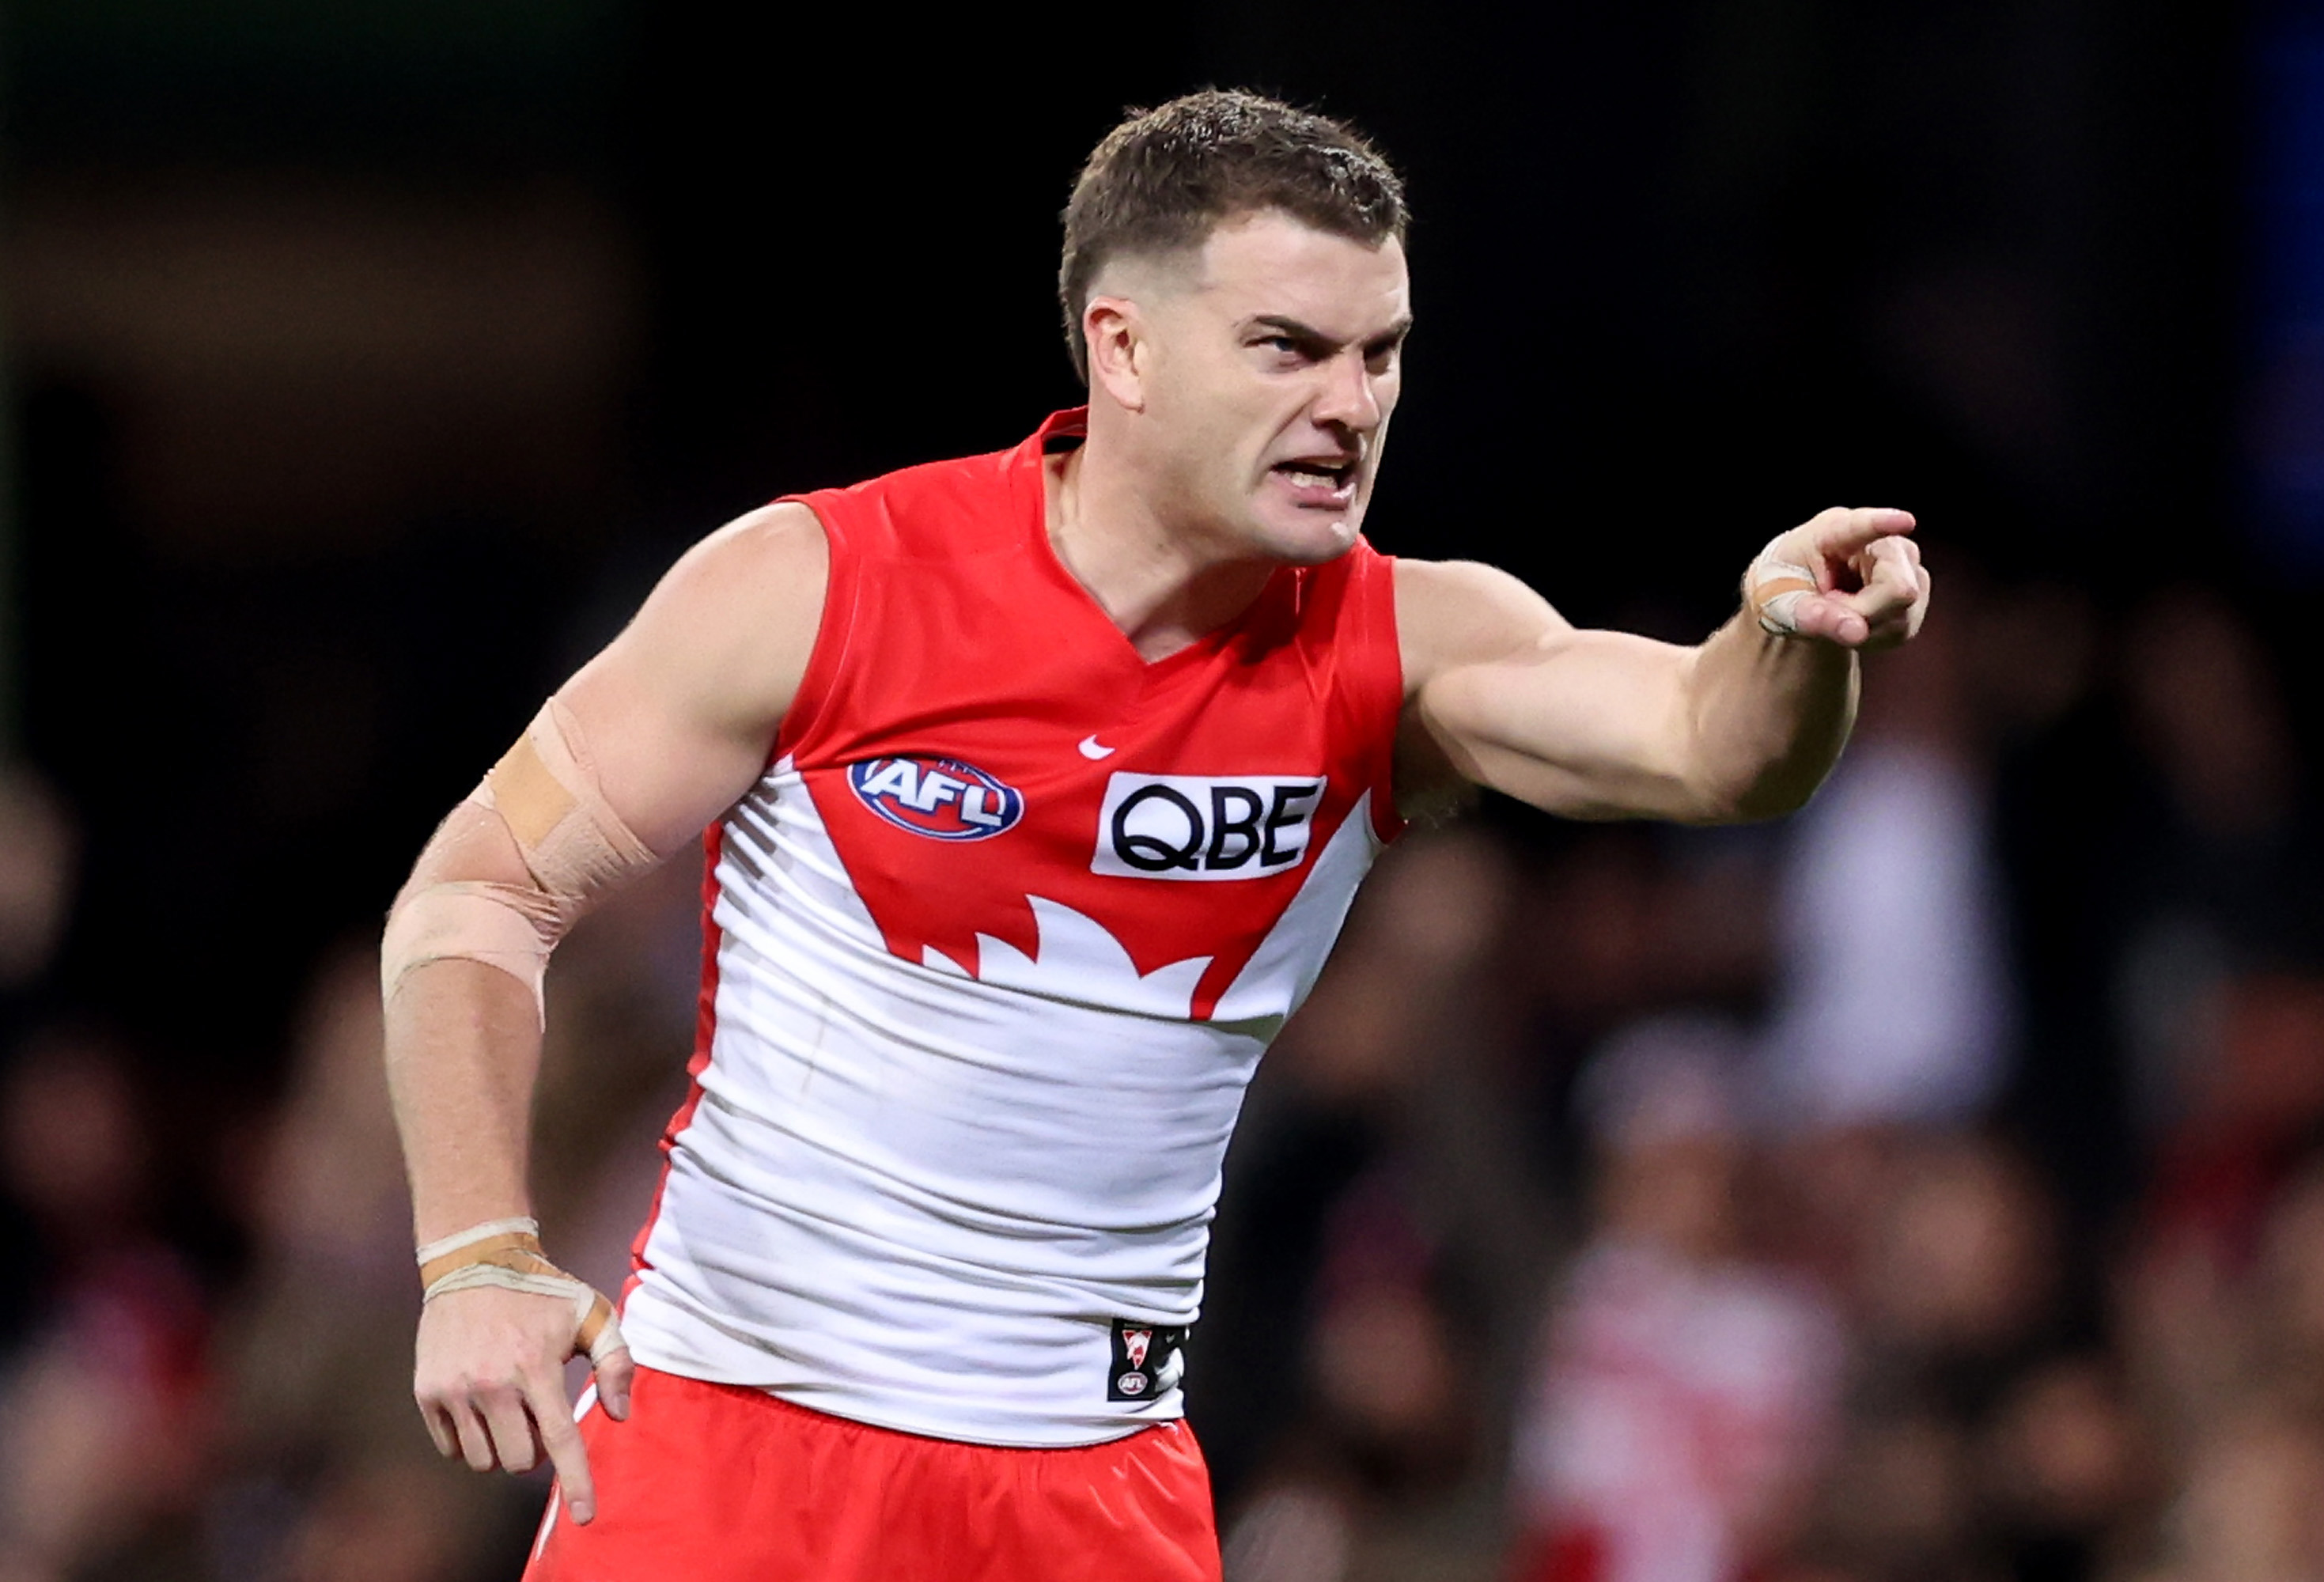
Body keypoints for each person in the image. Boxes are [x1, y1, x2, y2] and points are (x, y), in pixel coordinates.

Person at [380, 89, 1929, 1582]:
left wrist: (1794, 639)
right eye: (1289, 349)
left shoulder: (1411, 647)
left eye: (1381, 355)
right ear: (1122, 347)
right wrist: (478, 1254)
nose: (1352, 403)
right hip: (736, 1454)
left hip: (1093, 1493)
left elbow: (1717, 750)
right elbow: (478, 892)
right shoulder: (818, 586)